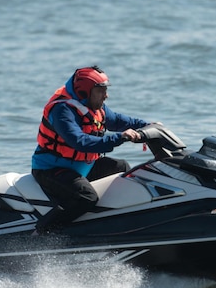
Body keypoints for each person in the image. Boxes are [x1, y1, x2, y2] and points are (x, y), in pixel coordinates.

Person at [31, 66, 150, 234]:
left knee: (122, 168)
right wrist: (120, 137)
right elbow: (80, 141)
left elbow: (117, 121)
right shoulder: (61, 110)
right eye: (101, 90)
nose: (106, 95)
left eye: (105, 90)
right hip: (51, 170)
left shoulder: (95, 108)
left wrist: (147, 126)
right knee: (86, 198)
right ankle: (43, 233)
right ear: (84, 92)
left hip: (83, 166)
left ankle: (122, 218)